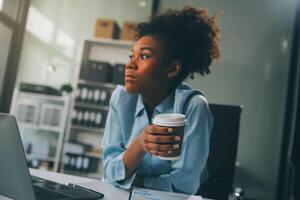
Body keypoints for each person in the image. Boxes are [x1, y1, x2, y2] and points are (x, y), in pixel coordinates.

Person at [102, 5, 221, 194]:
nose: (130, 64)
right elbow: (109, 170)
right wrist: (140, 144)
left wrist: (132, 180)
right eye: (132, 55)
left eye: (144, 56)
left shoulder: (193, 107)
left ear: (172, 69)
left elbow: (184, 186)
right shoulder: (121, 99)